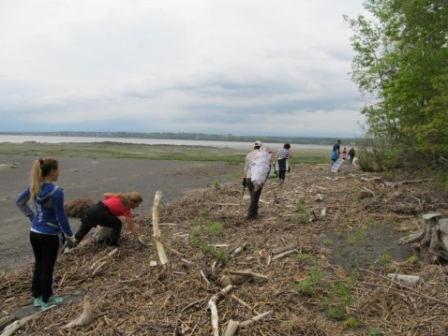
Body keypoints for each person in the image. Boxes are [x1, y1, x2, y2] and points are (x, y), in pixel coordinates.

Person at [16, 158, 77, 310]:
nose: (59, 172)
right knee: (48, 267)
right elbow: (61, 217)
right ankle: (47, 300)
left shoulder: (34, 186)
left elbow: (19, 202)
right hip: (49, 235)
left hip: (34, 232)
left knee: (39, 264)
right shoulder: (56, 192)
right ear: (51, 171)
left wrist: (32, 216)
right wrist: (70, 236)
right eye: (57, 169)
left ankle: (37, 297)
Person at [75, 192, 147, 247]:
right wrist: (138, 237)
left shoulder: (119, 197)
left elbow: (105, 195)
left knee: (81, 233)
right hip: (100, 213)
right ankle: (113, 244)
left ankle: (69, 247)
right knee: (117, 224)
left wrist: (112, 202)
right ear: (133, 202)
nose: (137, 207)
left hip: (91, 210)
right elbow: (131, 226)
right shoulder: (126, 209)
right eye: (137, 204)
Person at [242, 141, 270, 220]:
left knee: (253, 196)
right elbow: (266, 169)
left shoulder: (249, 155)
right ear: (261, 147)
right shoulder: (262, 155)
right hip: (257, 179)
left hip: (248, 177)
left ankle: (255, 213)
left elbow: (246, 168)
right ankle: (250, 215)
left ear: (254, 147)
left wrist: (243, 179)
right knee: (255, 197)